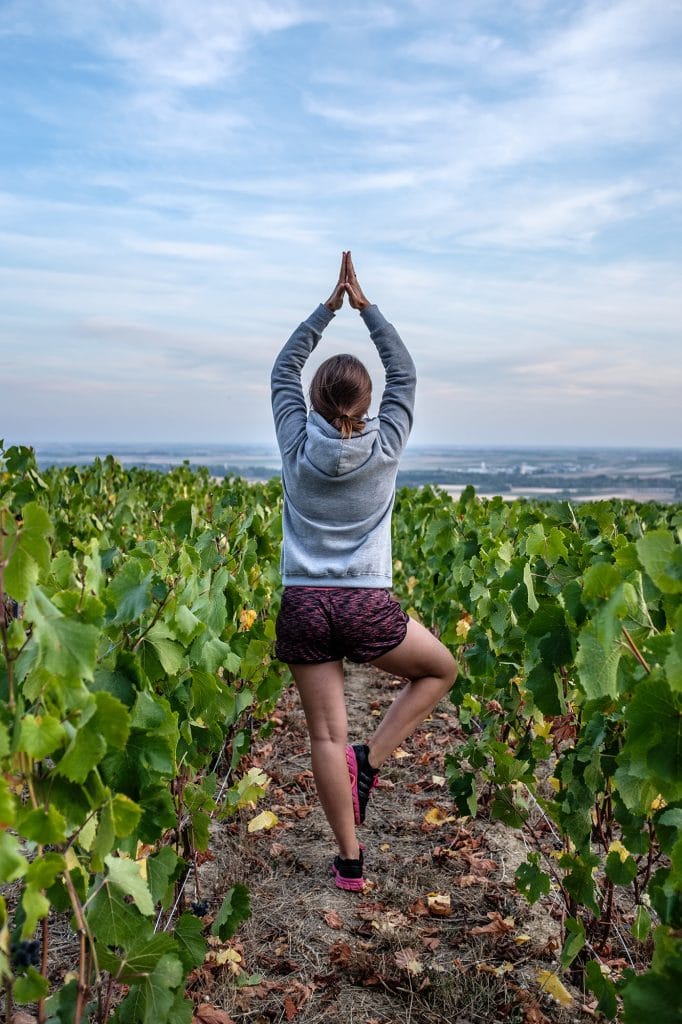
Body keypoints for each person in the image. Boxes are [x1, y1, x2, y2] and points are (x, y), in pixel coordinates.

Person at [271, 252, 457, 891]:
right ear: (370, 401)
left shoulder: (296, 444)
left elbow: (282, 369)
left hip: (303, 603)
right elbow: (404, 370)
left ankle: (350, 861)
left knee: (324, 734)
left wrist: (326, 308)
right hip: (363, 604)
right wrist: (365, 306)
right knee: (442, 670)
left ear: (313, 402)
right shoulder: (385, 445)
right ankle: (369, 761)